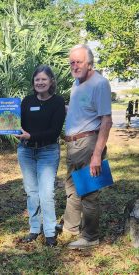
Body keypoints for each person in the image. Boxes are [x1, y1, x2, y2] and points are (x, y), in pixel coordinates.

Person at [63, 44, 112, 249]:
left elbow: (107, 120)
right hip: (73, 144)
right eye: (72, 62)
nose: (75, 65)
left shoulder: (99, 84)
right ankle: (71, 227)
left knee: (89, 191)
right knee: (72, 188)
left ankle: (91, 236)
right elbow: (79, 110)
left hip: (89, 143)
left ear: (89, 63)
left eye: (79, 61)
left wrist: (96, 155)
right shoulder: (77, 82)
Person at [15, 65, 66, 247]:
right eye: (37, 79)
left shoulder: (58, 102)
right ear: (33, 82)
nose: (40, 82)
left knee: (46, 193)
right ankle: (35, 228)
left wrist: (32, 136)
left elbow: (54, 132)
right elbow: (17, 124)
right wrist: (1, 120)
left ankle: (50, 231)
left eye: (44, 79)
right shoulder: (27, 101)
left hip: (48, 151)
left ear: (51, 81)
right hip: (26, 151)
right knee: (32, 192)